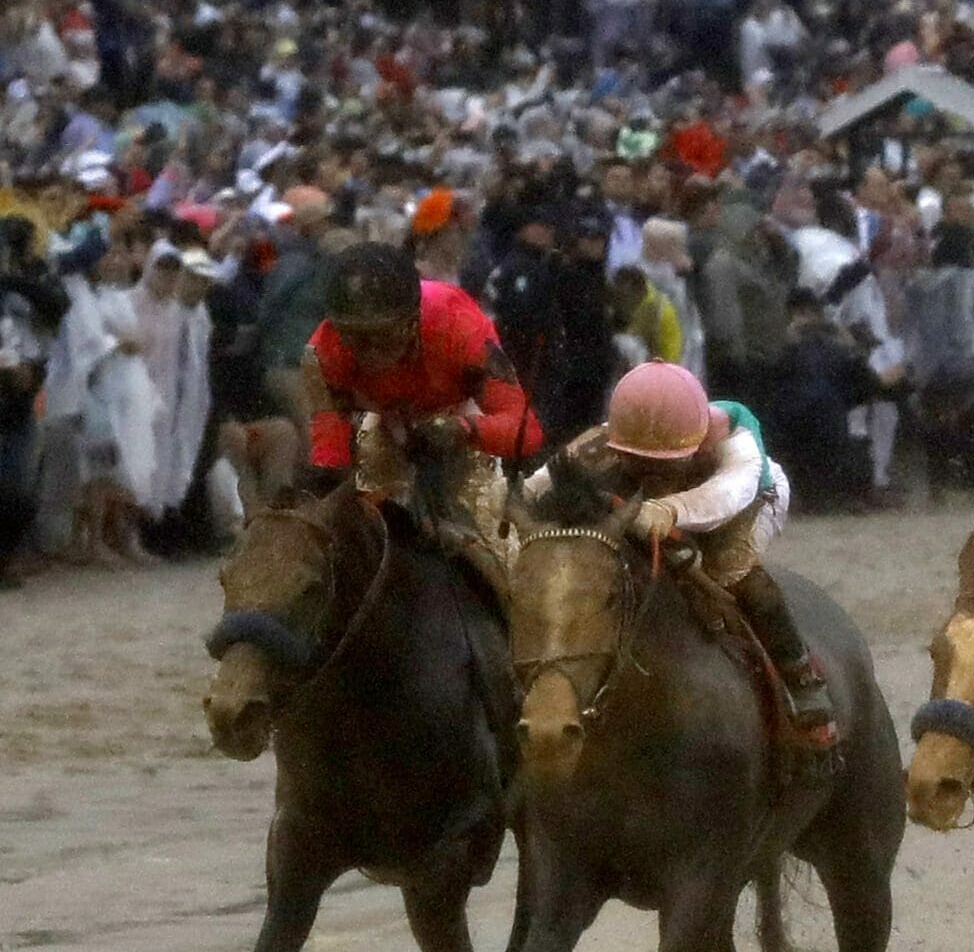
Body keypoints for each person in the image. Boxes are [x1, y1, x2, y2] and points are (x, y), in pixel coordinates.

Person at [565, 359, 833, 747]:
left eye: (662, 465)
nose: (651, 474)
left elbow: (728, 496)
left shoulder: (736, 442)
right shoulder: (618, 433)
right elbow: (550, 479)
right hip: (651, 506)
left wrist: (670, 510)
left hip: (745, 505)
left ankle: (802, 677)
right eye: (637, 462)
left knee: (736, 575)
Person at [302, 243, 540, 548]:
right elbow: (331, 452)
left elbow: (526, 431)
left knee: (489, 531)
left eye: (386, 335)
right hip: (383, 423)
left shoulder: (459, 328)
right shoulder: (323, 351)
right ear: (336, 327)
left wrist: (461, 429)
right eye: (357, 337)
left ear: (414, 319)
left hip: (459, 417)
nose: (372, 352)